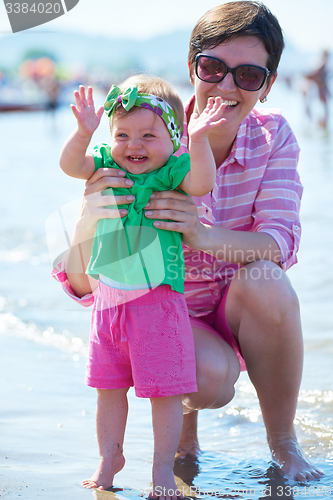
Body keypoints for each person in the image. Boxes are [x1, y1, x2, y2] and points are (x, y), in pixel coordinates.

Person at [52, 0, 324, 484]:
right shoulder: (145, 137)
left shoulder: (274, 135)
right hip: (162, 310)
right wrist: (89, 220)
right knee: (208, 375)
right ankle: (183, 437)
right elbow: (82, 283)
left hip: (234, 306)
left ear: (268, 84)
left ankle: (284, 443)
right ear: (191, 66)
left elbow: (281, 241)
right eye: (213, 67)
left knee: (268, 279)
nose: (226, 85)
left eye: (248, 75)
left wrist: (200, 233)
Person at [57, 74, 226, 494]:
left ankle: (160, 470)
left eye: (149, 135)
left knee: (164, 393)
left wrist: (201, 138)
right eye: (123, 134)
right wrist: (83, 132)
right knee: (108, 388)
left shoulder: (172, 172)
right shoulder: (105, 165)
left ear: (174, 140)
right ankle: (109, 457)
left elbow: (203, 183)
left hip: (158, 305)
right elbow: (70, 166)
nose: (134, 145)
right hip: (108, 305)